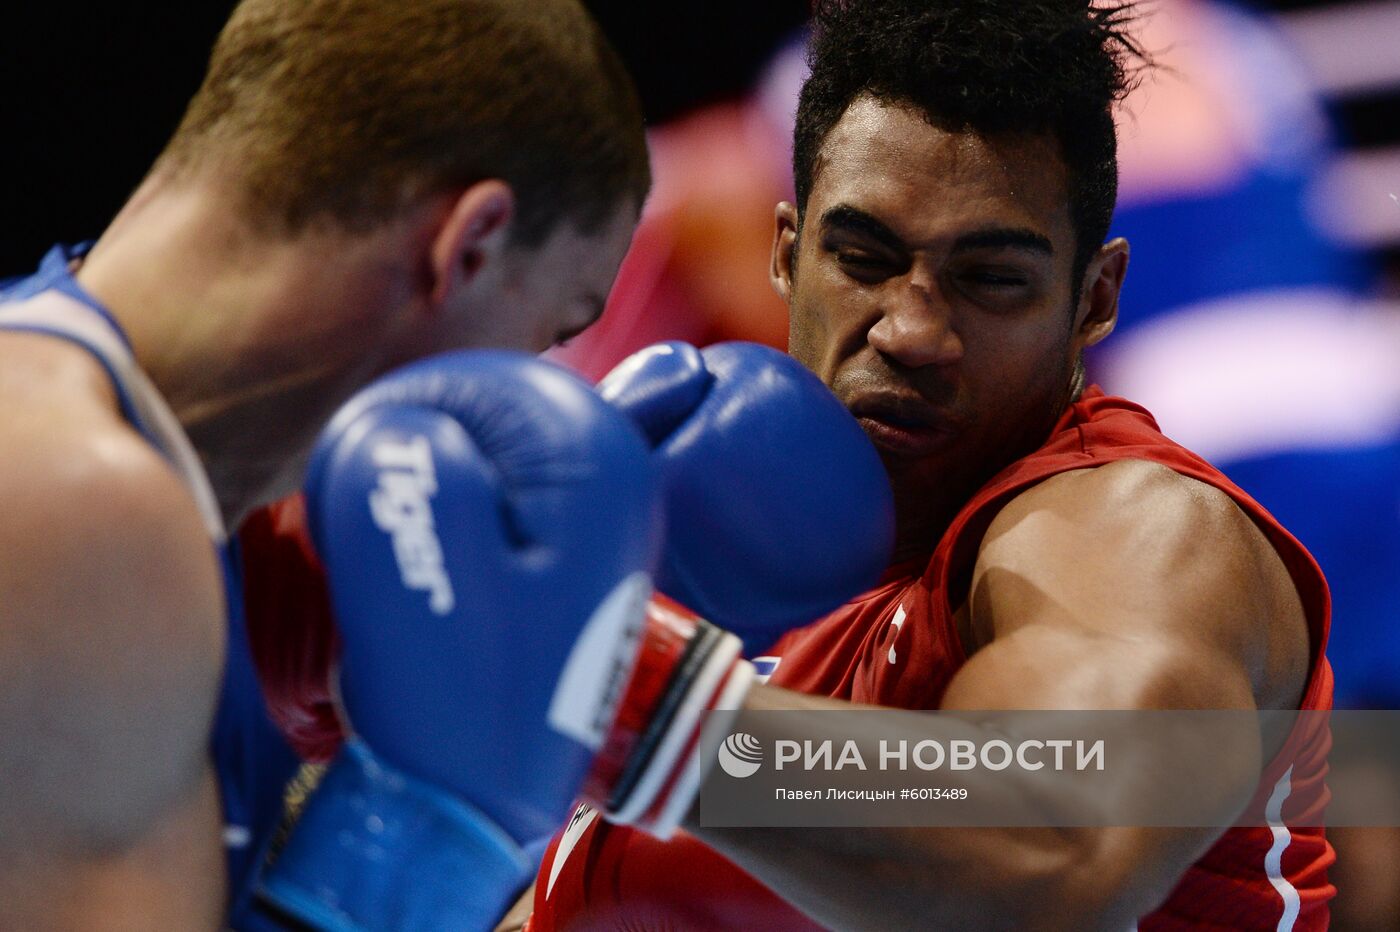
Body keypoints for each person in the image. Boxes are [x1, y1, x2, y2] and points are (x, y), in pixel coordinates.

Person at [523, 1, 1335, 929]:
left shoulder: (1135, 532)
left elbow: (1050, 845)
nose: (911, 332)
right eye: (864, 259)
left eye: (990, 278)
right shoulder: (759, 578)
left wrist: (609, 681)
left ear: (1094, 298)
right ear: (787, 254)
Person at [0, 0, 649, 926]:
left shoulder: (102, 452)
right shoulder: (83, 501)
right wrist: (424, 834)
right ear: (468, 246)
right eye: (557, 328)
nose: (534, 379)